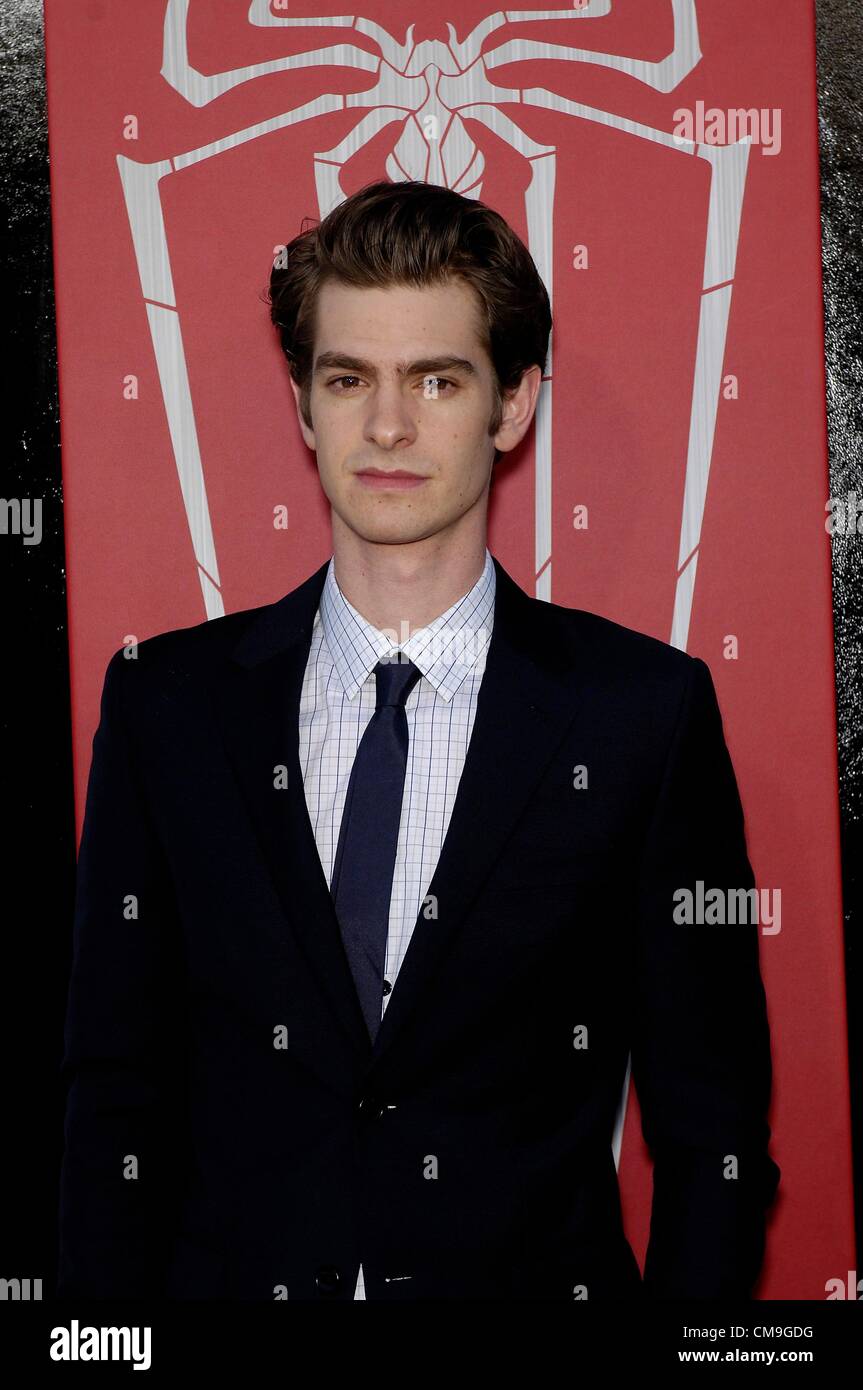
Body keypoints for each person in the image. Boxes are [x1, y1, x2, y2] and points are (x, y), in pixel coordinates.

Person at [57, 179, 780, 1301]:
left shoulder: (640, 712)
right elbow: (111, 1099)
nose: (386, 426)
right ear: (303, 405)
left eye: (436, 380)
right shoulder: (168, 706)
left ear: (514, 403)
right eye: (348, 379)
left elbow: (712, 1133)